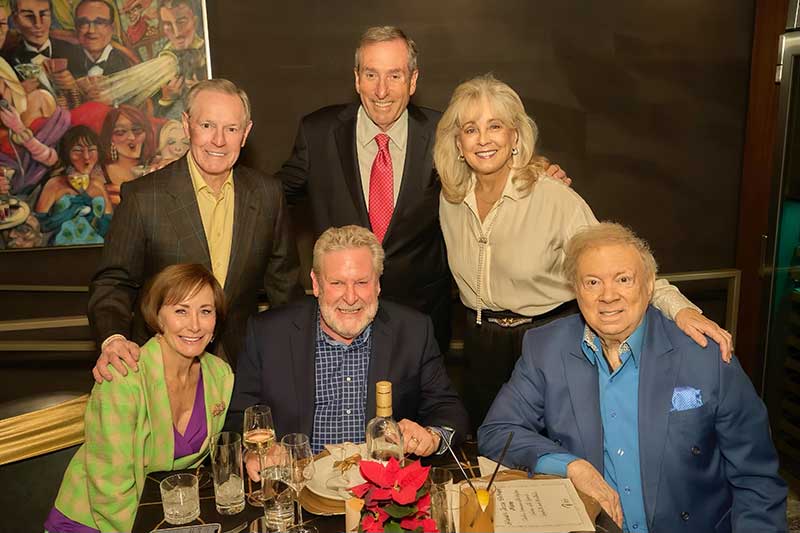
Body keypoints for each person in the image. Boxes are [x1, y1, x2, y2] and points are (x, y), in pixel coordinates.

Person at [433, 74, 733, 427]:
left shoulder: (553, 197)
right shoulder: (450, 199)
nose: (483, 139)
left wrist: (678, 308)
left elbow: (616, 261)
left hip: (549, 340)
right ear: (456, 142)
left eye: (495, 126)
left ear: (515, 136)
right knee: (492, 450)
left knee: (558, 454)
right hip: (480, 347)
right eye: (470, 129)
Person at [478, 222, 787, 532]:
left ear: (650, 285)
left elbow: (757, 480)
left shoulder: (706, 357)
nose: (608, 296)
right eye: (593, 282)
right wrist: (570, 466)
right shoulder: (546, 348)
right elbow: (497, 431)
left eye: (623, 279)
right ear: (575, 289)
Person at [88, 78, 300, 381]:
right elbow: (112, 283)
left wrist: (296, 360)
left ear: (246, 133)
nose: (218, 141)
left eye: (231, 129)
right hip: (161, 371)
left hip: (243, 369)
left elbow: (285, 291)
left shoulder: (267, 195)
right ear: (186, 125)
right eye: (207, 126)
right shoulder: (144, 197)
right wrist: (113, 338)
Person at [226, 225, 469, 471]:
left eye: (362, 282)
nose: (351, 298)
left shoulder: (414, 330)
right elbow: (239, 417)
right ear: (317, 283)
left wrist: (431, 436)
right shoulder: (269, 334)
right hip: (299, 484)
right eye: (337, 283)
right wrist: (258, 452)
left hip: (382, 492)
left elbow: (448, 410)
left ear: (377, 284)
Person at [277, 26, 456, 352]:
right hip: (341, 315)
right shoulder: (318, 133)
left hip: (421, 317)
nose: (382, 90)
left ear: (413, 81)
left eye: (395, 76)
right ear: (357, 78)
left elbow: (488, 177)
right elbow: (270, 199)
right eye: (371, 75)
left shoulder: (443, 134)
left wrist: (535, 169)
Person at [44, 263, 234, 533]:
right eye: (181, 311)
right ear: (158, 317)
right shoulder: (123, 377)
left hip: (165, 517)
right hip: (98, 522)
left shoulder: (220, 376)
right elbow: (110, 491)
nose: (194, 325)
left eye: (205, 311)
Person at [34, 125, 112, 245]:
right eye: (77, 150)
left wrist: (92, 215)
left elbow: (109, 227)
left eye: (91, 150)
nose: (86, 156)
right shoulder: (54, 184)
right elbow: (41, 225)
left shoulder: (98, 184)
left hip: (96, 250)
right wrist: (71, 211)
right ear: (67, 154)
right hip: (61, 250)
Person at [154, 0, 205, 119]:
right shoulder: (161, 59)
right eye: (168, 24)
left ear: (195, 22)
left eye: (181, 22)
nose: (177, 33)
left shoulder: (207, 53)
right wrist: (166, 99)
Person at [99, 103, 155, 201]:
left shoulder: (156, 167)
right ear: (110, 138)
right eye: (121, 132)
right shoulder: (99, 175)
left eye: (137, 130)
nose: (131, 137)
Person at [69, 0, 135, 79]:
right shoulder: (66, 61)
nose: (91, 30)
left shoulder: (126, 63)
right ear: (76, 28)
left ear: (112, 28)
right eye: (84, 23)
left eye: (99, 22)